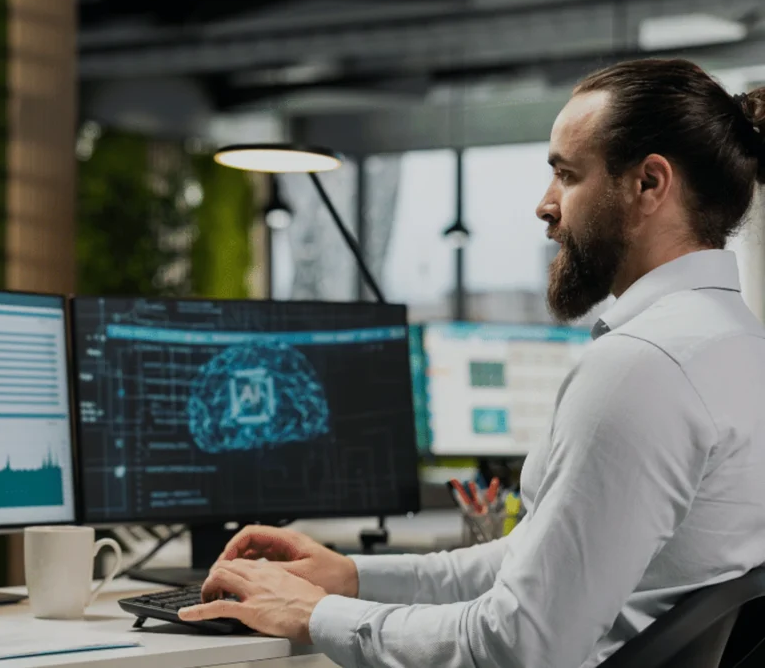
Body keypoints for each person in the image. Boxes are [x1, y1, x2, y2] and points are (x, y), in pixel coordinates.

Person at [178, 58, 765, 668]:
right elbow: (533, 563)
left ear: (649, 184)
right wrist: (352, 575)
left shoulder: (644, 368)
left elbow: (521, 648)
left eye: (566, 175)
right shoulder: (737, 348)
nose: (545, 206)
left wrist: (313, 614)